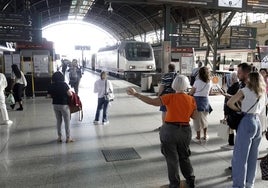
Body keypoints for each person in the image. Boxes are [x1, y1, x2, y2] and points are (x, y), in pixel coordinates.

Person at [126, 75, 197, 188]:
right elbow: (195, 116)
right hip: (185, 131)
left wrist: (136, 94)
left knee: (172, 159)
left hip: (169, 130)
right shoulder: (191, 99)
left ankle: (174, 184)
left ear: (174, 85)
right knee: (184, 156)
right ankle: (190, 179)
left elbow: (152, 101)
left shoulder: (169, 97)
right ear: (187, 85)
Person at [227, 72, 266, 188]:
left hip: (247, 121)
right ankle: (250, 183)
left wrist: (239, 108)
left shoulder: (244, 90)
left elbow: (230, 103)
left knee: (240, 156)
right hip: (257, 123)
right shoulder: (263, 92)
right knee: (253, 156)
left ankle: (239, 185)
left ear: (249, 80)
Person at [47, 71, 74, 143]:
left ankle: (59, 137)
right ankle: (68, 138)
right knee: (67, 121)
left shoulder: (51, 85)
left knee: (58, 121)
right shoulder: (64, 84)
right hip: (64, 105)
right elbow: (70, 94)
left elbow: (48, 96)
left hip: (55, 105)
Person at [189, 66, 212, 141]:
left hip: (197, 101)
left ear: (199, 74)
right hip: (205, 101)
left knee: (196, 120)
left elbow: (191, 92)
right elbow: (210, 92)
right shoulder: (209, 82)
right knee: (204, 118)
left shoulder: (197, 82)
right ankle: (205, 135)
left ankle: (198, 136)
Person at [220, 71, 240, 149]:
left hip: (231, 109)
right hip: (231, 109)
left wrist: (225, 94)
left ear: (232, 78)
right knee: (231, 126)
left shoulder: (236, 87)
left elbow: (233, 97)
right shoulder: (236, 86)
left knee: (231, 127)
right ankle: (231, 142)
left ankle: (231, 143)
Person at [157, 64, 177, 129]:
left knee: (164, 111)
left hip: (165, 95)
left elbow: (162, 86)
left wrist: (159, 94)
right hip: (175, 96)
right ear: (174, 68)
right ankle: (173, 124)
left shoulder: (165, 76)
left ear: (168, 68)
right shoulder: (178, 76)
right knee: (173, 110)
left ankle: (164, 125)